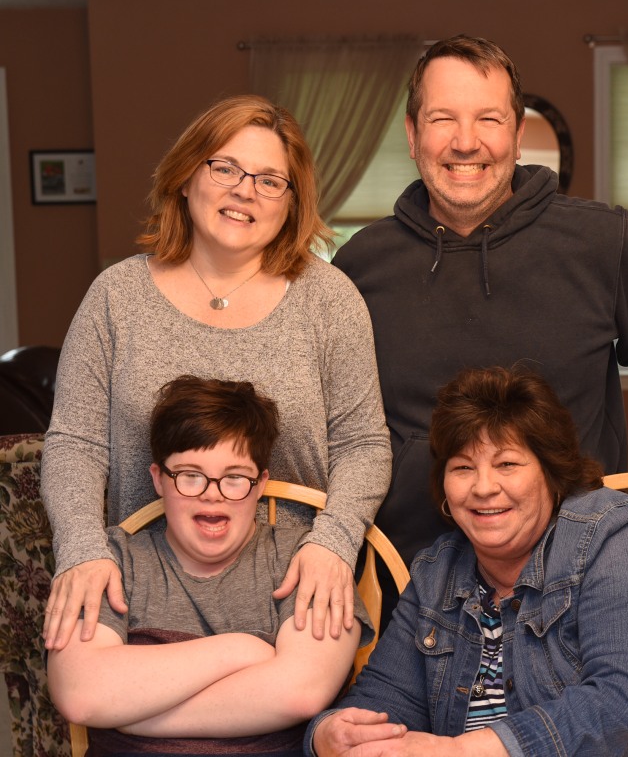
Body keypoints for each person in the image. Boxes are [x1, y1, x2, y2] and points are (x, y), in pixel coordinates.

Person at [332, 34, 628, 567]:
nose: (465, 142)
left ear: (518, 136)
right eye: (443, 118)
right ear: (412, 133)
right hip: (409, 574)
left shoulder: (603, 242)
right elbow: (337, 423)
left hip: (578, 569)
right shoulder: (359, 267)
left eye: (489, 120)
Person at [41, 94, 391, 651]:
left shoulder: (330, 300)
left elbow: (364, 444)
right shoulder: (116, 297)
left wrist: (334, 542)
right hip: (143, 595)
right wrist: (82, 547)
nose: (245, 190)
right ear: (185, 178)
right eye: (225, 167)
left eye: (270, 180)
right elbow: (75, 443)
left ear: (291, 203)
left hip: (293, 594)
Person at [307, 366, 628, 757]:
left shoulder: (617, 534)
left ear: (551, 471)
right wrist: (330, 733)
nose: (483, 487)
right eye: (463, 468)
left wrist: (462, 749)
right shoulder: (436, 573)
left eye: (506, 464)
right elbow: (384, 699)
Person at [48, 375, 372, 756]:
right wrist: (239, 650)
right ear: (158, 479)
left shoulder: (306, 562)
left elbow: (299, 694)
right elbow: (81, 695)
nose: (212, 495)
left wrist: (128, 711)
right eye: (190, 476)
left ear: (261, 483)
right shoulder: (113, 562)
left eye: (235, 478)